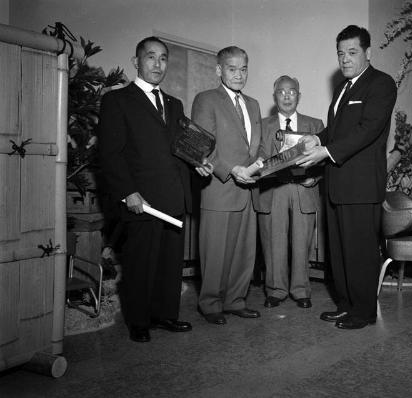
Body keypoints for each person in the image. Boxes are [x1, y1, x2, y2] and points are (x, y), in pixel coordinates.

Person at [298, 25, 397, 329]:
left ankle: (364, 312)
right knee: (339, 253)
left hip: (361, 186)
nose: (345, 59)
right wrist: (318, 139)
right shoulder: (343, 88)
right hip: (338, 184)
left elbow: (367, 129)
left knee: (360, 253)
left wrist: (326, 151)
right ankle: (345, 305)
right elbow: (339, 130)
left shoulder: (381, 84)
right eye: (341, 53)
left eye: (352, 52)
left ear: (368, 53)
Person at [98, 36, 193, 342]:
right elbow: (110, 154)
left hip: (172, 196)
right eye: (150, 57)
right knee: (140, 264)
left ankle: (165, 315)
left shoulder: (175, 104)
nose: (157, 64)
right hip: (141, 199)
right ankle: (138, 321)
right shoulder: (117, 100)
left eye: (163, 58)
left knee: (169, 262)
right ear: (136, 62)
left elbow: (180, 149)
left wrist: (199, 163)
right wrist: (128, 192)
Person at [191, 46, 262, 325]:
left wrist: (260, 166)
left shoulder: (254, 104)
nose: (239, 74)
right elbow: (201, 146)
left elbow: (254, 148)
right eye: (232, 69)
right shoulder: (206, 99)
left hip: (249, 188)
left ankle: (235, 300)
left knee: (244, 252)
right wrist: (231, 169)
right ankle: (210, 304)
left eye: (244, 69)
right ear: (219, 70)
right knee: (216, 251)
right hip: (220, 188)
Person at [258, 75, 324, 309]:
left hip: (303, 190)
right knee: (273, 242)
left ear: (299, 95)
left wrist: (314, 177)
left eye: (292, 91)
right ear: (274, 96)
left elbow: (325, 162)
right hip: (273, 190)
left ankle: (300, 289)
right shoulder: (262, 125)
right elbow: (258, 158)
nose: (287, 96)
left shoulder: (315, 125)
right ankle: (275, 290)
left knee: (302, 242)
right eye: (281, 92)